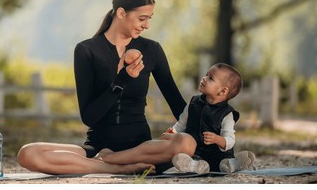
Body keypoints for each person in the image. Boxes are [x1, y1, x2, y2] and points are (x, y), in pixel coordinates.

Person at [16, 0, 188, 174]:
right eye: (142, 18)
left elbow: (177, 104)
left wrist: (214, 123)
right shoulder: (87, 50)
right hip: (98, 148)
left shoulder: (152, 50)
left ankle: (114, 163)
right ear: (121, 13)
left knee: (185, 144)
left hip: (140, 149)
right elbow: (89, 117)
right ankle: (114, 168)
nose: (146, 25)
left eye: (149, 18)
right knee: (28, 154)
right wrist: (121, 80)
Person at [96, 63, 256, 174]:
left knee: (223, 164)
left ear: (222, 91)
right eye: (206, 75)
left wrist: (217, 139)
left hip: (218, 154)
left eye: (210, 78)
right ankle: (196, 166)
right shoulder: (194, 102)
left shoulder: (227, 113)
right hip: (196, 151)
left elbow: (230, 139)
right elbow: (181, 124)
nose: (204, 78)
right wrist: (173, 131)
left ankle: (235, 163)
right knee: (191, 159)